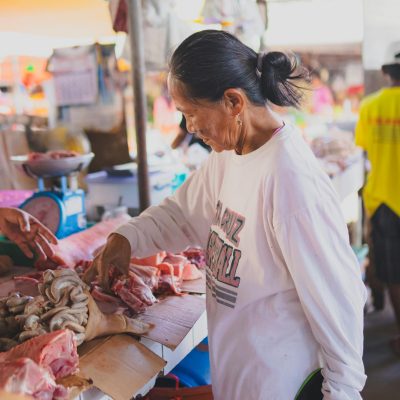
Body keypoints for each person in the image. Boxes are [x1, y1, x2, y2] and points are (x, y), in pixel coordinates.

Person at [84, 30, 367, 399]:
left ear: (233, 101)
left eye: (190, 113)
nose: (190, 129)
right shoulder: (230, 156)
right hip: (242, 379)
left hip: (282, 385)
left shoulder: (291, 183)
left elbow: (340, 305)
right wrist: (127, 238)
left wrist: (341, 392)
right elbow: (182, 213)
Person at [355, 41, 400, 354]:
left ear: (385, 71)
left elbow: (365, 148)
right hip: (386, 200)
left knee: (393, 272)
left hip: (385, 199)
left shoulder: (371, 106)